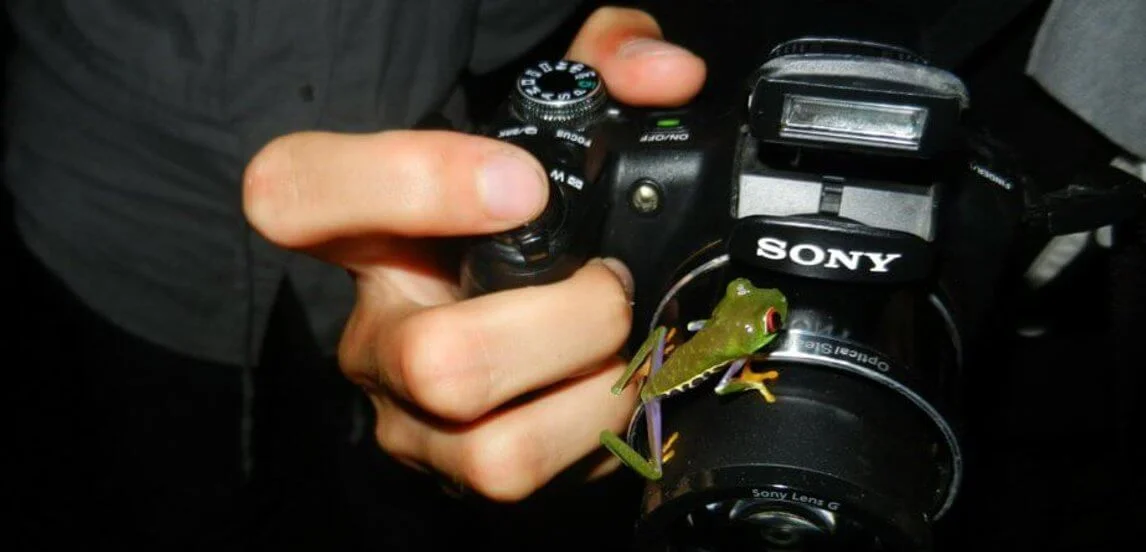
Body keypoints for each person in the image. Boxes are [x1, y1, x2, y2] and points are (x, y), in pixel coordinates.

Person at [3, 1, 706, 549]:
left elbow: (506, 26)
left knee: (378, 504)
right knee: (158, 487)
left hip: (422, 216)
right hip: (120, 227)